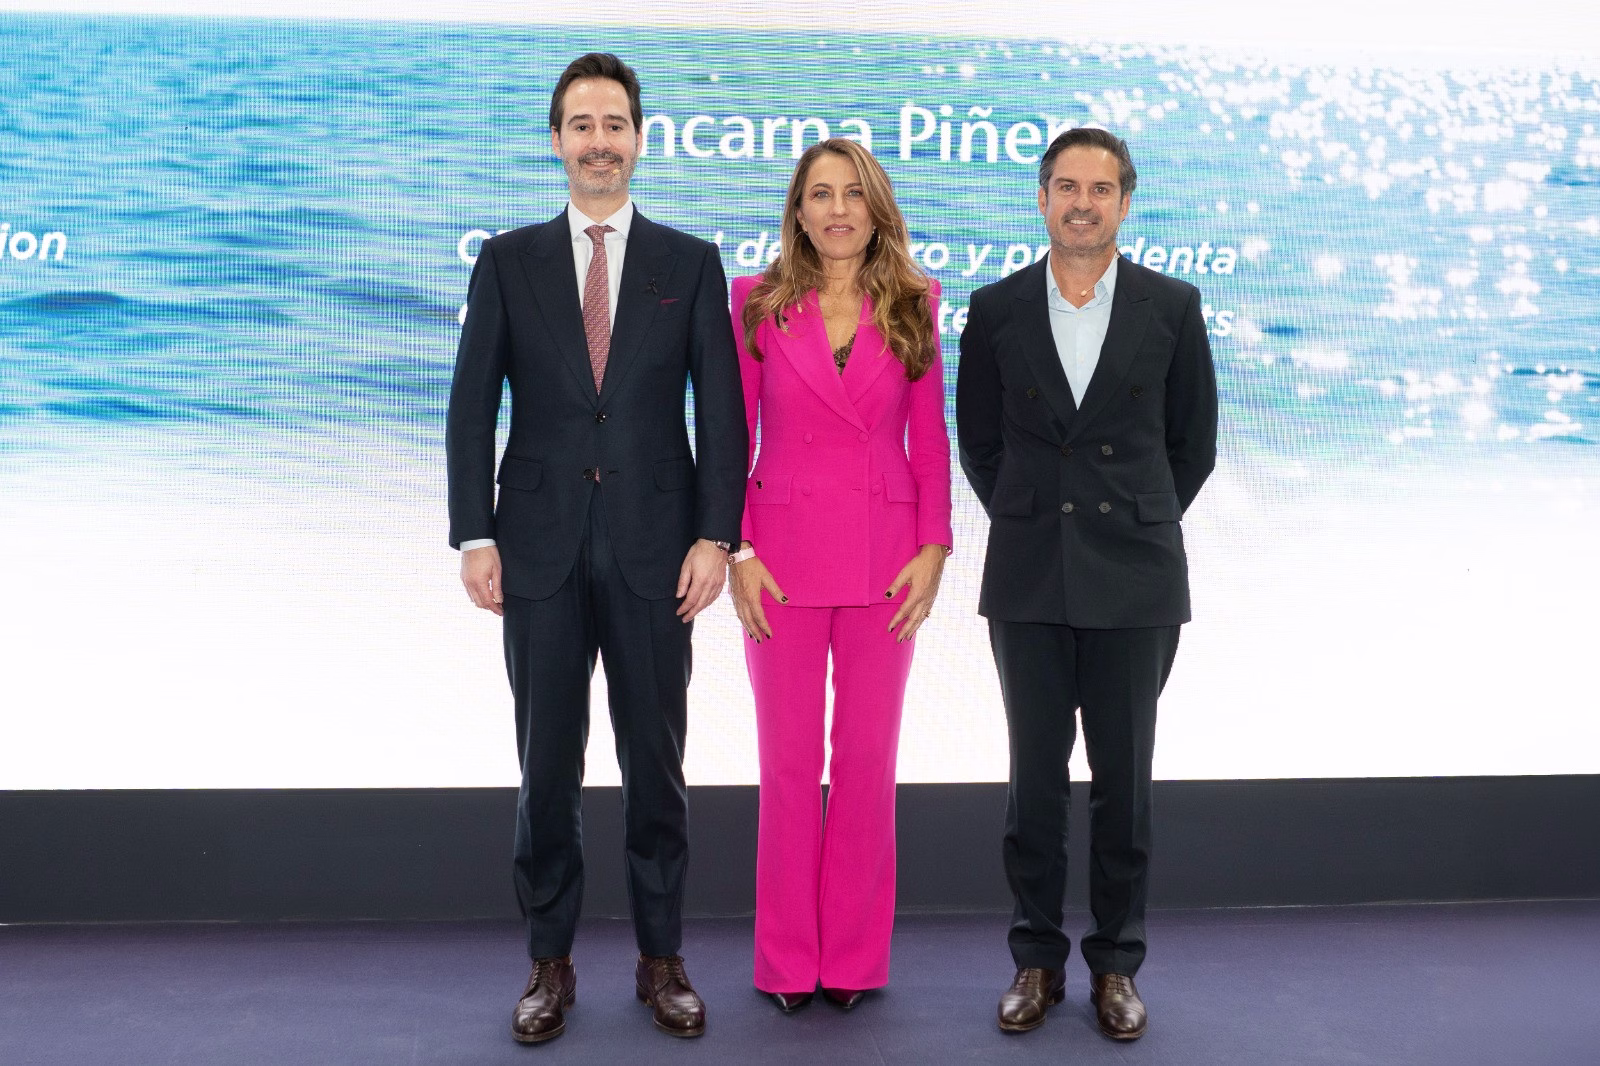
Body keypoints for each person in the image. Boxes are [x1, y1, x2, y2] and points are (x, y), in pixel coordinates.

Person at [445, 52, 747, 1044]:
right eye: (581, 125)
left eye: (615, 124)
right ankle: (549, 960)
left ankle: (662, 960)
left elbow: (723, 416)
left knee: (656, 765)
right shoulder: (508, 260)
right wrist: (474, 532)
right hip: (534, 550)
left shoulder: (689, 263)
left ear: (640, 139)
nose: (599, 142)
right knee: (546, 769)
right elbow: (470, 409)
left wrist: (717, 535)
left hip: (659, 553)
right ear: (556, 140)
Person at [955, 127, 1217, 1040]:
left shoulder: (1172, 305)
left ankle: (1116, 965)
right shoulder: (995, 308)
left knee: (1124, 786)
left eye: (1100, 189)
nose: (1082, 203)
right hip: (1030, 574)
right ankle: (1034, 959)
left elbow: (1191, 446)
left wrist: (1129, 519)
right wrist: (1039, 515)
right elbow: (979, 443)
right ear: (1041, 198)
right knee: (1033, 784)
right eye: (1066, 186)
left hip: (1135, 579)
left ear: (1124, 203)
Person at [728, 138, 953, 1014]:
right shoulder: (754, 301)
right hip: (778, 565)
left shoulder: (915, 301)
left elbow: (929, 439)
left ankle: (854, 959)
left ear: (876, 207)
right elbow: (732, 438)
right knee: (787, 764)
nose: (837, 210)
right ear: (798, 209)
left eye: (853, 193)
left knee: (865, 762)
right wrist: (739, 551)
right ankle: (787, 962)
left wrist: (934, 548)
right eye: (820, 194)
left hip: (886, 561)